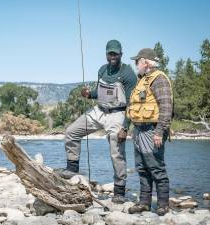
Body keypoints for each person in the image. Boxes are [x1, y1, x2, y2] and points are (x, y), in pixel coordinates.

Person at [59, 40, 137, 204]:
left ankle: (119, 191)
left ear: (121, 54)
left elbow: (132, 102)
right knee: (71, 132)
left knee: (116, 152)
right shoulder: (102, 70)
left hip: (118, 114)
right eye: (110, 53)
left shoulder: (129, 74)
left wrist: (125, 127)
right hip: (99, 111)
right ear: (106, 54)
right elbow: (100, 93)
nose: (112, 56)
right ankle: (72, 169)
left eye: (115, 53)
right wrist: (89, 94)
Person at [127, 48, 173, 216]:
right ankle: (144, 203)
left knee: (156, 167)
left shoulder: (159, 79)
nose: (135, 65)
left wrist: (159, 132)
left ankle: (163, 204)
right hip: (138, 130)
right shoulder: (142, 80)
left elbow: (166, 107)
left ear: (145, 62)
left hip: (152, 129)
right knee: (141, 168)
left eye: (137, 61)